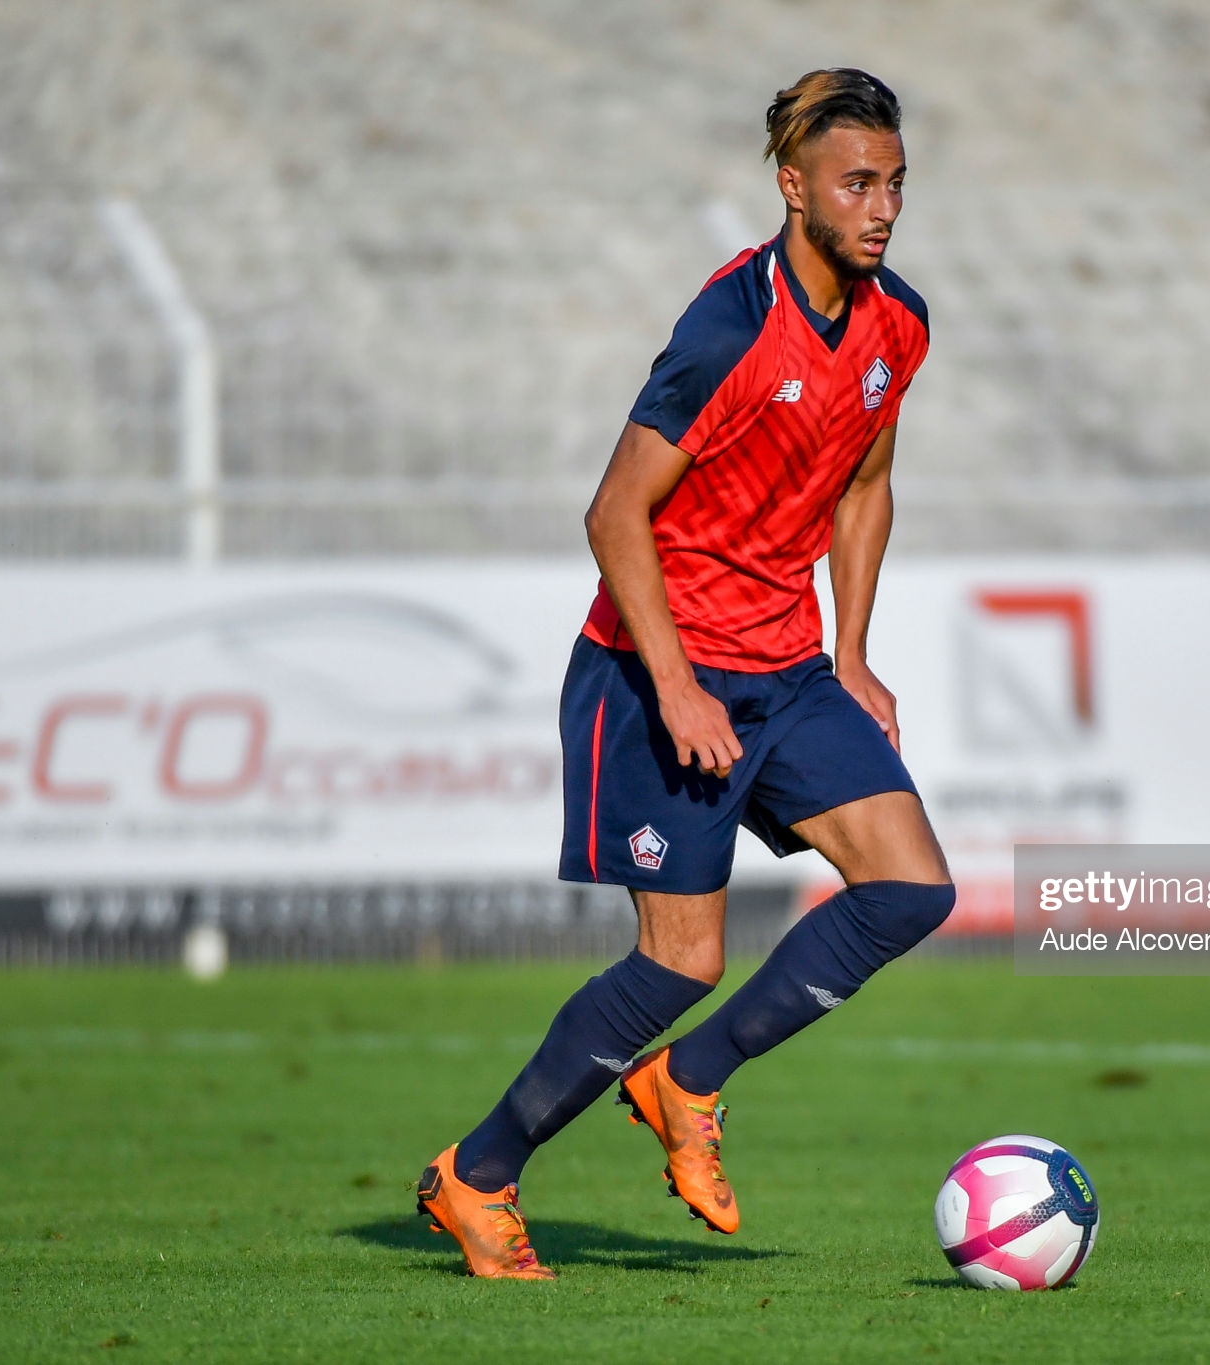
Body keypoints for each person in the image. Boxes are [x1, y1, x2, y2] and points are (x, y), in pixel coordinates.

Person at [416, 67, 954, 1279]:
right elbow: (614, 515)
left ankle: (686, 1080)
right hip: (658, 668)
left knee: (910, 889)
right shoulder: (728, 326)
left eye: (896, 185)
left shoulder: (896, 323)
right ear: (792, 186)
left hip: (787, 667)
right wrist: (673, 687)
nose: (881, 209)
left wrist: (854, 655)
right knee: (681, 960)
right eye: (857, 184)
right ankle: (477, 1174)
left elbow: (865, 485)